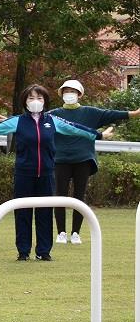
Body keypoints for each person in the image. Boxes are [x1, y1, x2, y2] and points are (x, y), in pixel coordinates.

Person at [0, 84, 98, 261]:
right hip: (24, 173)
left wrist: (98, 135)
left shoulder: (53, 121)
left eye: (39, 98)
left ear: (45, 102)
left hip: (46, 173)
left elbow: (76, 128)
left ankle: (44, 251)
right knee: (22, 213)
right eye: (31, 98)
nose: (35, 102)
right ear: (25, 101)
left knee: (44, 213)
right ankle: (23, 251)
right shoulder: (17, 121)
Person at [49, 79, 140, 246]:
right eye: (66, 91)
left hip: (83, 159)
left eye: (73, 91)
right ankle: (61, 232)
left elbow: (110, 114)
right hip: (60, 160)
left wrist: (133, 113)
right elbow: (32, 120)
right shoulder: (53, 114)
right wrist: (9, 120)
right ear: (62, 94)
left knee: (79, 196)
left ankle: (75, 233)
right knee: (60, 196)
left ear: (79, 94)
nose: (69, 94)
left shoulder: (90, 112)